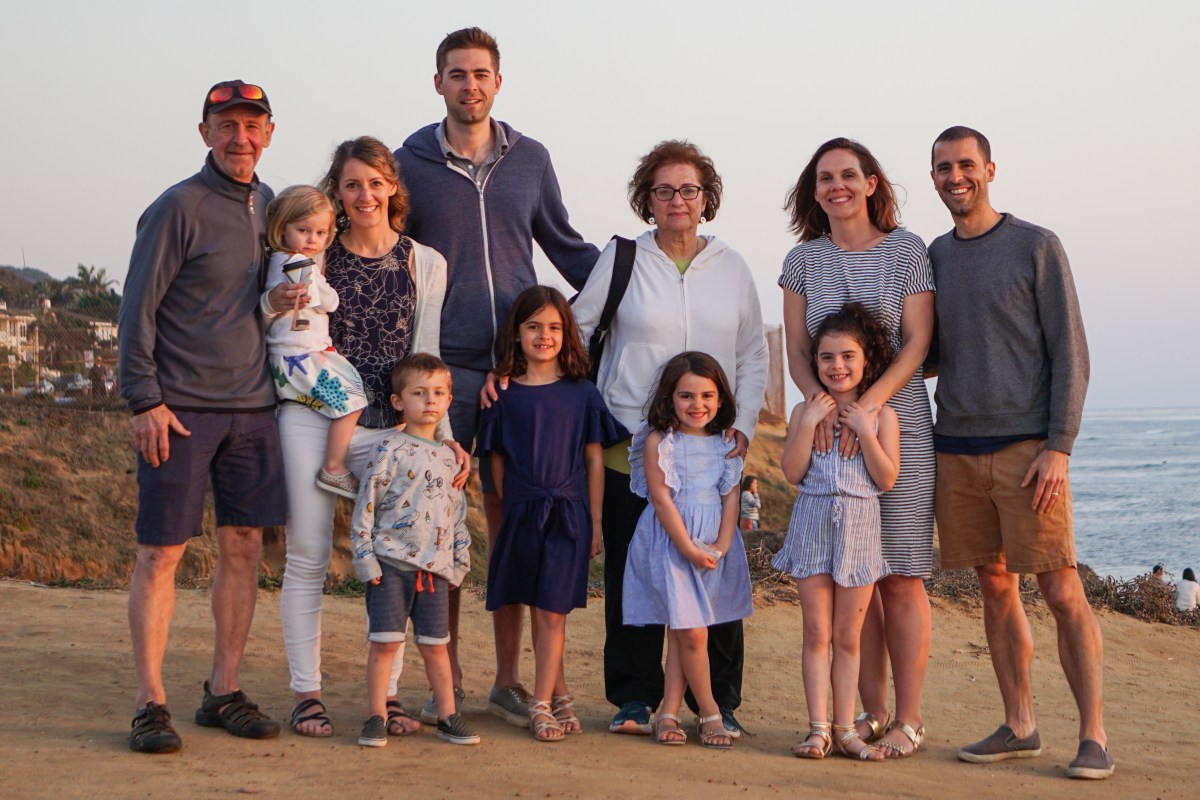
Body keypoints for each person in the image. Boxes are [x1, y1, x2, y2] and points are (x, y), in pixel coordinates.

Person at [394, 26, 599, 726]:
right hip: (442, 374)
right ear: (438, 84)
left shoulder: (530, 159)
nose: (469, 85)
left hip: (518, 377)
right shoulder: (409, 162)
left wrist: (630, 291)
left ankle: (515, 681)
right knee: (437, 529)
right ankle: (440, 677)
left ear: (498, 83)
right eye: (457, 74)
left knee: (520, 526)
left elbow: (566, 247)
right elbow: (391, 257)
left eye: (481, 74)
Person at [928, 125, 1112, 779]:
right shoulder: (934, 257)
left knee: (1062, 588)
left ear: (990, 170)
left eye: (966, 165)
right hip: (954, 446)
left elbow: (1072, 352)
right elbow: (927, 353)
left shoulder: (1036, 245)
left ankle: (1093, 736)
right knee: (994, 585)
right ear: (934, 178)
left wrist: (1059, 447)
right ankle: (1020, 725)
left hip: (1029, 450)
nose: (956, 177)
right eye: (944, 167)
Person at [571, 139, 768, 738]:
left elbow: (754, 353)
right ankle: (635, 697)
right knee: (638, 575)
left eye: (689, 189)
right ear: (646, 199)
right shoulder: (624, 257)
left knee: (715, 573)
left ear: (706, 198)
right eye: (663, 190)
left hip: (713, 449)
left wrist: (743, 426)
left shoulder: (731, 266)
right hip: (631, 443)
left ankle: (721, 699)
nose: (677, 200)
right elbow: (578, 330)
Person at [265, 136, 461, 738]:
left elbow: (427, 359)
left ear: (392, 187)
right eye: (352, 185)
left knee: (401, 559)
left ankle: (390, 698)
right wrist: (274, 301)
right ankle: (307, 694)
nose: (365, 195)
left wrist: (444, 439)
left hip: (393, 432)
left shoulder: (424, 263)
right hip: (312, 415)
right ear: (338, 193)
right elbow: (272, 317)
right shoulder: (313, 251)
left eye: (375, 183)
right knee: (311, 555)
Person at [118, 79, 286, 753]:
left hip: (256, 410)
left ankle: (222, 689)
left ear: (269, 133)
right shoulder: (176, 207)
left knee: (244, 548)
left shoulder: (274, 208)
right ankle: (149, 702)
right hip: (180, 410)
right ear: (205, 132)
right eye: (226, 125)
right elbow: (135, 309)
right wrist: (144, 400)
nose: (239, 137)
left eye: (252, 125)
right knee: (161, 553)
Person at [779, 137, 935, 758]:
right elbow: (795, 349)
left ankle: (911, 718)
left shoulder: (907, 251)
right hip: (826, 427)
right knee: (854, 579)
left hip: (895, 426)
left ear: (872, 183)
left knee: (899, 575)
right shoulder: (802, 262)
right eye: (824, 178)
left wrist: (866, 408)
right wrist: (821, 408)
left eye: (849, 175)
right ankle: (864, 713)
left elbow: (918, 344)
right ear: (813, 190)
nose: (836, 186)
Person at [477, 286, 628, 741]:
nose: (544, 335)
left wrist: (596, 521)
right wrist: (510, 509)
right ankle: (559, 692)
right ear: (516, 333)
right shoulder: (500, 395)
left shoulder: (582, 394)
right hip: (522, 513)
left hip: (569, 514)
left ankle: (540, 705)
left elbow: (595, 459)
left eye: (555, 327)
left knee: (553, 610)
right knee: (534, 599)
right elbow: (495, 459)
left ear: (568, 334)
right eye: (533, 326)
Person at [773, 305, 900, 762]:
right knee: (815, 633)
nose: (837, 366)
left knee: (849, 637)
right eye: (827, 357)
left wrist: (865, 430)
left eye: (848, 356)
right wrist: (807, 423)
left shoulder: (882, 416)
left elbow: (886, 478)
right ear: (815, 363)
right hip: (811, 526)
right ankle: (817, 729)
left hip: (861, 533)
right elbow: (792, 471)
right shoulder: (802, 412)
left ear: (866, 361)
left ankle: (847, 728)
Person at [622, 352, 751, 749]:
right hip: (672, 543)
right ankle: (710, 713)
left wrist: (723, 545)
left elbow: (731, 496)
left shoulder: (726, 442)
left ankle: (669, 713)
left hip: (713, 544)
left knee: (683, 630)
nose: (698, 405)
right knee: (692, 633)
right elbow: (661, 501)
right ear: (669, 398)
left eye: (707, 395)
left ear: (721, 397)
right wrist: (689, 549)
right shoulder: (661, 441)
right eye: (686, 396)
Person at [349, 354, 478, 747]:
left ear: (449, 400)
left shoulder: (451, 457)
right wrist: (364, 557)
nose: (430, 401)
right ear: (398, 401)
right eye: (419, 393)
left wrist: (458, 564)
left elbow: (456, 512)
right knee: (385, 642)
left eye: (439, 393)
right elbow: (366, 502)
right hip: (389, 565)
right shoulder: (389, 447)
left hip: (435, 571)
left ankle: (448, 716)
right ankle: (376, 716)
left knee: (437, 647)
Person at [263, 185, 367, 498]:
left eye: (321, 232)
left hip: (298, 355)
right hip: (301, 356)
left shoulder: (280, 260)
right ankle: (333, 467)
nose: (313, 240)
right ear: (283, 228)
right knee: (352, 400)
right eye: (304, 230)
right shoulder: (297, 264)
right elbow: (330, 302)